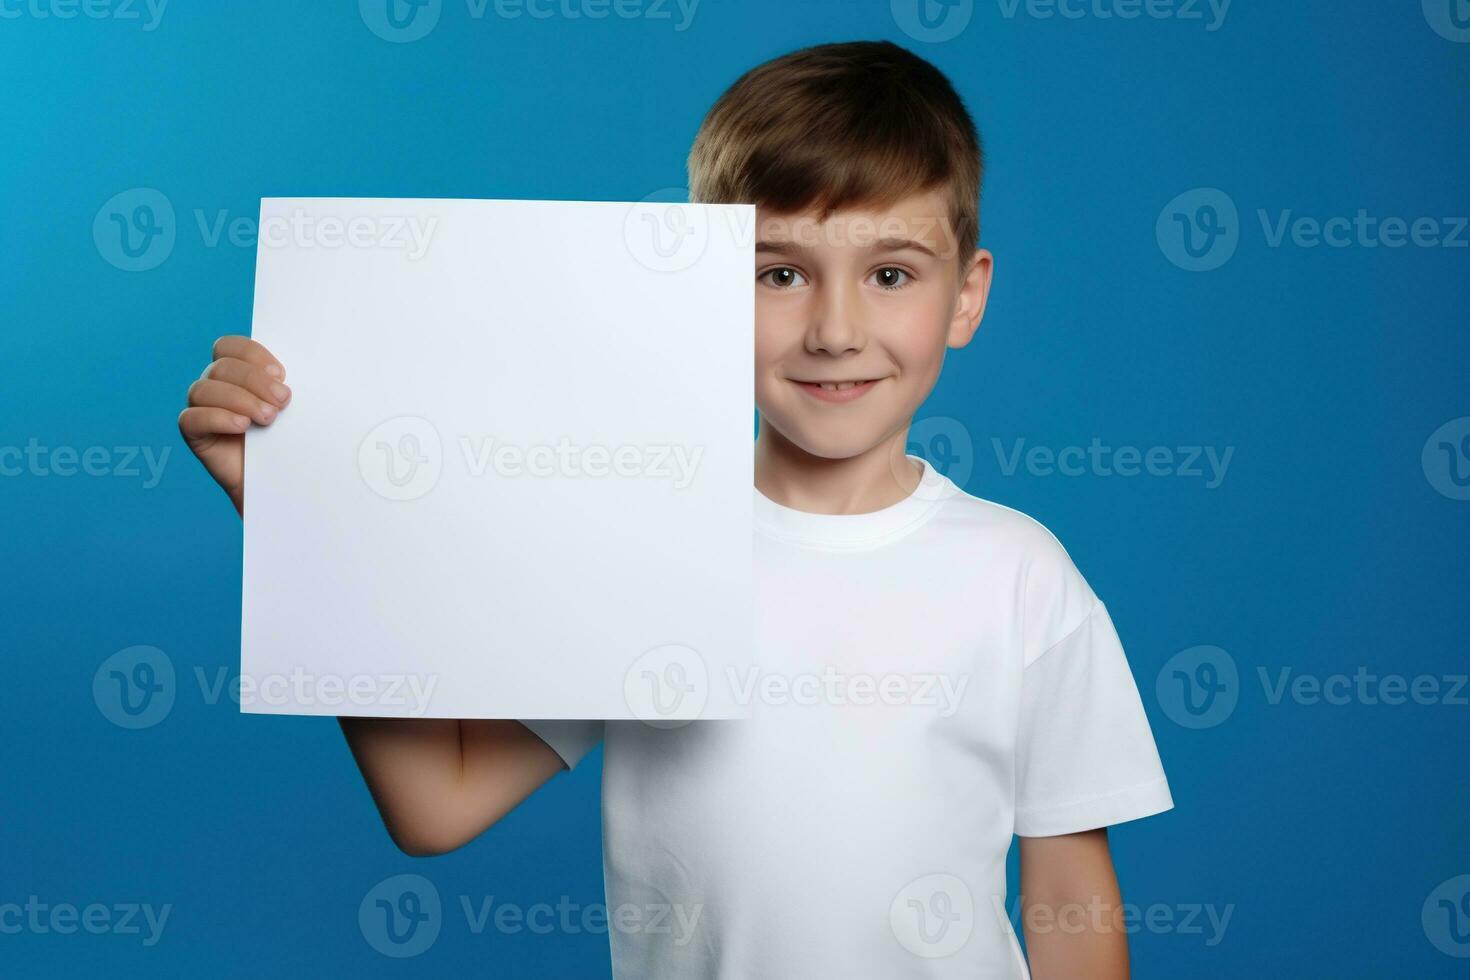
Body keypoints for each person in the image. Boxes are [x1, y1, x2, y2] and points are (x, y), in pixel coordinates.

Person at [179, 40, 1171, 979]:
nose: (835, 328)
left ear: (967, 295)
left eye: (891, 274)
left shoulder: (1020, 572)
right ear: (697, 292)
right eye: (778, 273)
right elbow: (435, 802)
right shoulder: (639, 542)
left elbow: (1068, 891)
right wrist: (300, 516)